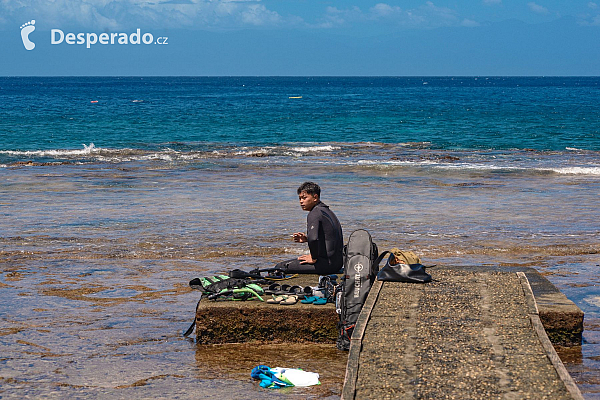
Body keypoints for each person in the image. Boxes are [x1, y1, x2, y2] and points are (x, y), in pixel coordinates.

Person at [275, 182, 343, 275]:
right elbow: (328, 238)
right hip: (337, 263)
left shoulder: (314, 213)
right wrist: (307, 239)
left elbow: (314, 239)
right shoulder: (326, 211)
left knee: (280, 267)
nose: (301, 201)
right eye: (299, 198)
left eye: (304, 198)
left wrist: (313, 258)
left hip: (327, 265)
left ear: (315, 197)